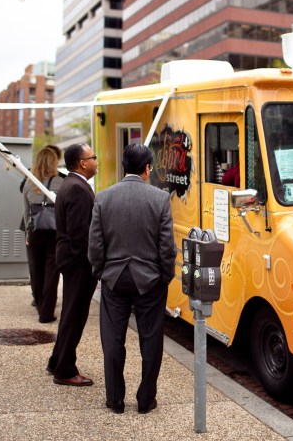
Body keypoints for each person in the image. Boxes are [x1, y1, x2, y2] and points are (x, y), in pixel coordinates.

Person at [89, 143, 176, 414]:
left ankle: (115, 400)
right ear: (147, 167)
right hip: (150, 279)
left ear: (124, 166)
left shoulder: (103, 198)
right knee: (151, 340)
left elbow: (95, 245)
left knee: (112, 339)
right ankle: (146, 399)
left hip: (114, 279)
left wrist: (100, 271)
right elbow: (166, 246)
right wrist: (165, 275)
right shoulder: (160, 199)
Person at [47, 143, 98, 387]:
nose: (96, 161)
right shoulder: (78, 188)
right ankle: (65, 369)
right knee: (74, 315)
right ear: (82, 163)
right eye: (93, 157)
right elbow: (80, 235)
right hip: (78, 263)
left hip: (69, 259)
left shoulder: (70, 184)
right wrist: (91, 264)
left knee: (70, 312)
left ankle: (56, 360)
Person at [22, 145, 64, 323]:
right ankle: (46, 313)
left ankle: (40, 305)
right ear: (54, 162)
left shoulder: (28, 183)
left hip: (34, 231)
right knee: (51, 272)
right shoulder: (61, 182)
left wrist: (27, 234)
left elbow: (26, 212)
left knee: (35, 271)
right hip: (54, 233)